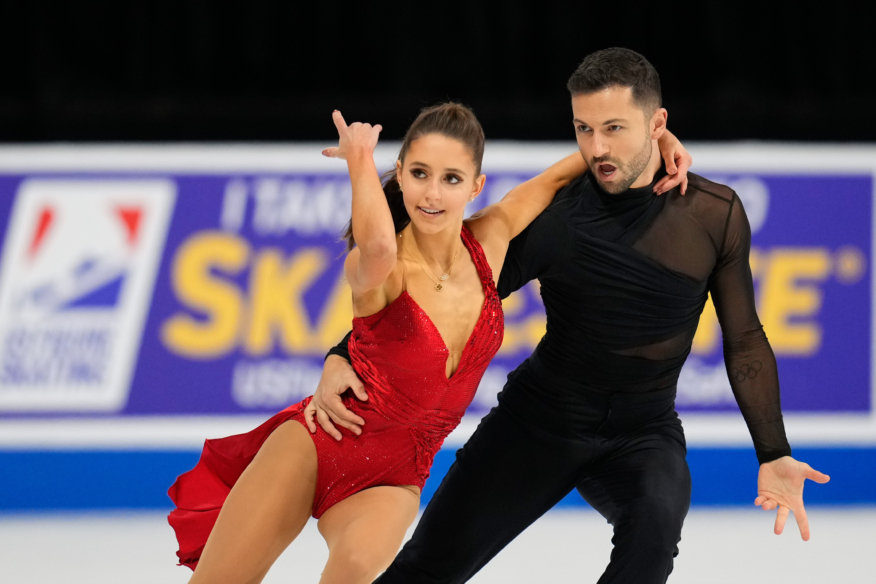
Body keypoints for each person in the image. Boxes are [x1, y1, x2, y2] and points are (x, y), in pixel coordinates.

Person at [313, 48, 830, 584]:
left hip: (644, 432)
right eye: (583, 129)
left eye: (614, 128)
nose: (597, 147)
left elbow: (743, 338)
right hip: (538, 424)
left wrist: (773, 452)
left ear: (657, 125)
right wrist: (342, 353)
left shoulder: (714, 214)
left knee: (651, 543)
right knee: (424, 569)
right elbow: (444, 297)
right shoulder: (560, 220)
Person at [166, 100, 693, 584]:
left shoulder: (490, 242)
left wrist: (648, 145)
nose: (432, 193)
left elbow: (557, 176)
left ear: (476, 186)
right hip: (316, 444)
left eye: (450, 178)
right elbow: (373, 245)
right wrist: (360, 163)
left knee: (353, 569)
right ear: (400, 176)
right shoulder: (384, 266)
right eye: (418, 174)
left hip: (394, 477)